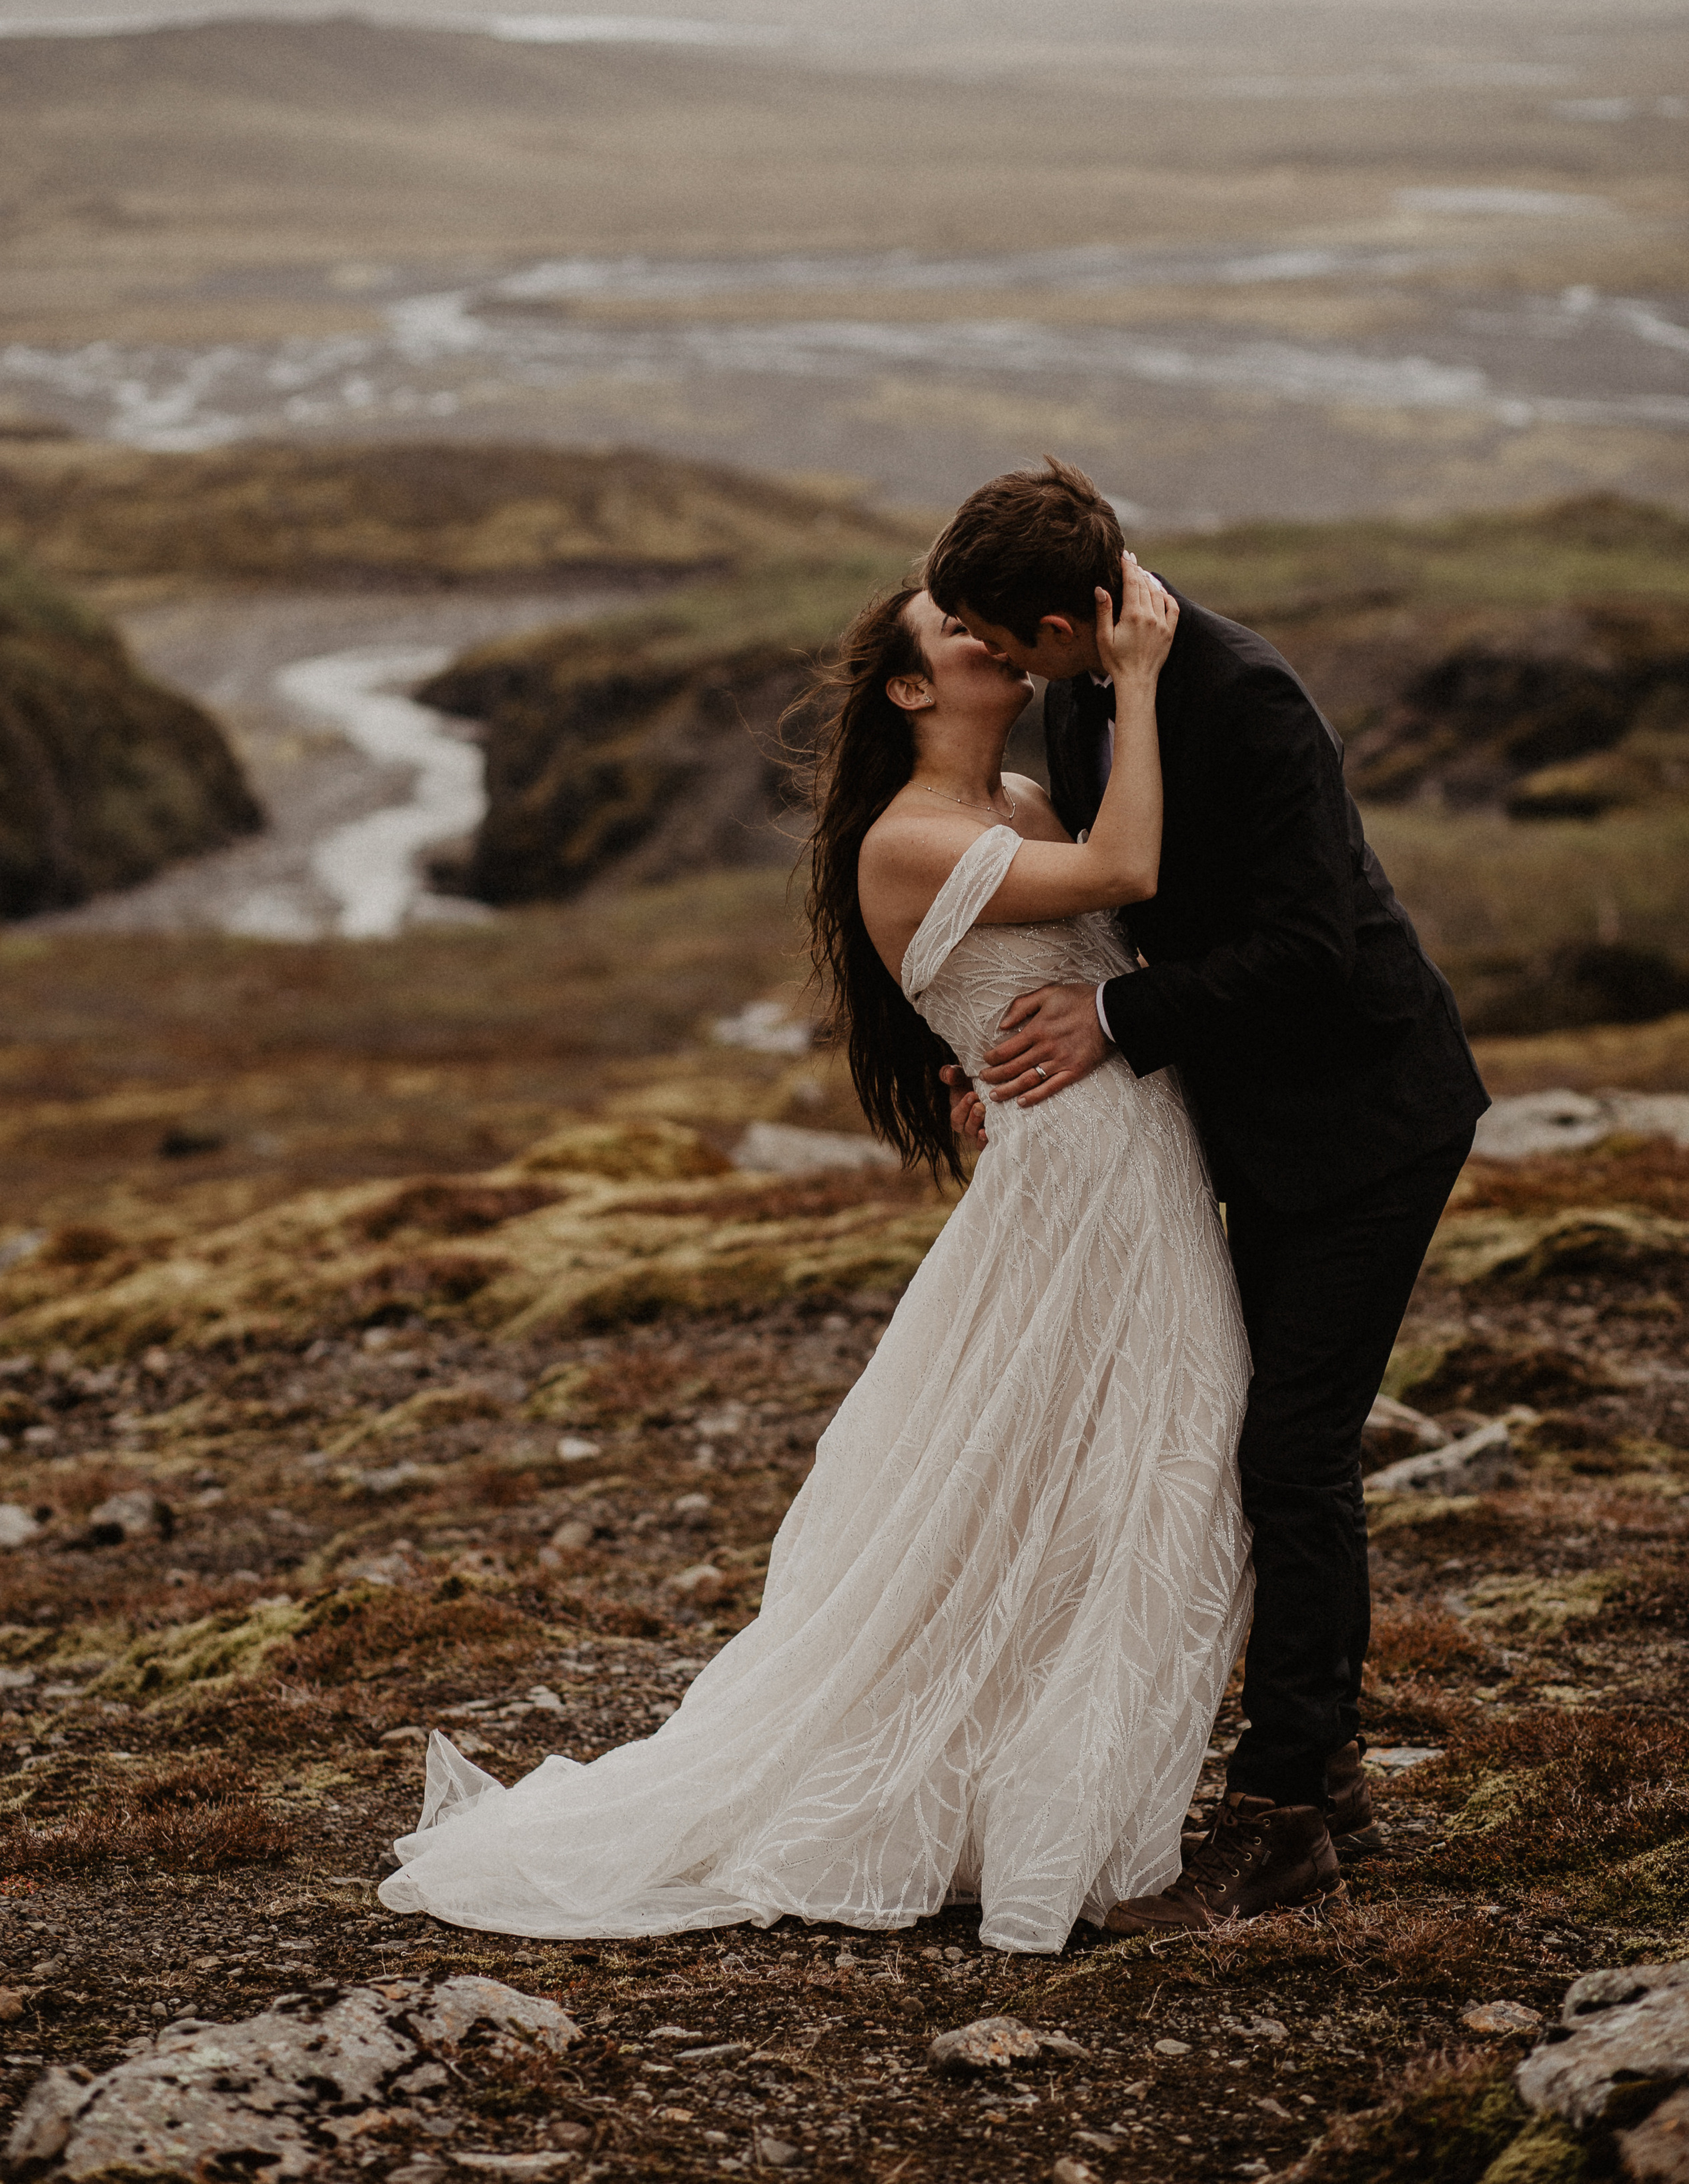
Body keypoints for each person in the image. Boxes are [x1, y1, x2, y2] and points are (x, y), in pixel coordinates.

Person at [376, 552, 1255, 1955]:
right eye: (956, 636)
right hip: (1081, 1185)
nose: (987, 645)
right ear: (911, 686)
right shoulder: (905, 837)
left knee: (1126, 1476)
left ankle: (1044, 1809)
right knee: (1125, 1466)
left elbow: (1111, 925)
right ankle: (1041, 1823)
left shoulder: (1019, 800)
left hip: (1128, 1168)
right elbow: (1127, 872)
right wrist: (1138, 677)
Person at [926, 458, 1488, 1929]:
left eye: (999, 640)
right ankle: (1326, 1771)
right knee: (1217, 1436)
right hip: (1237, 1127)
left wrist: (1111, 1031)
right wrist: (1007, 1050)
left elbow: (1310, 947)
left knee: (1287, 1455)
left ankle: (1285, 1813)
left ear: (1062, 617)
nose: (985, 664)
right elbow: (1125, 913)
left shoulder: (1244, 696)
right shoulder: (1078, 693)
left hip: (1366, 1121)